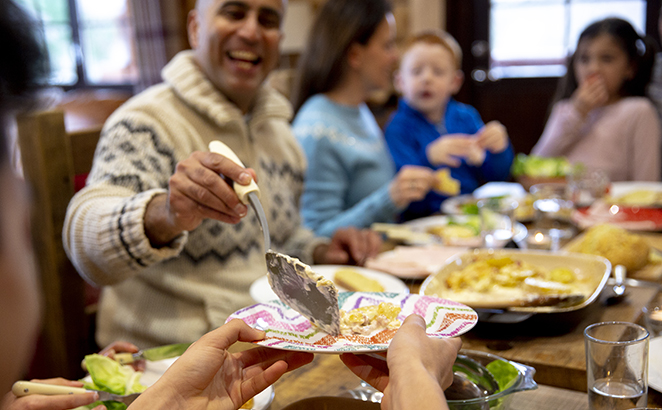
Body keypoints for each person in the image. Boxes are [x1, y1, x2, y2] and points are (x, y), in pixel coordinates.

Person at [62, 0, 382, 349]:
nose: (250, 30)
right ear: (195, 27)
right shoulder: (145, 123)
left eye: (268, 19)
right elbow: (85, 245)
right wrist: (165, 214)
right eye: (233, 13)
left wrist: (320, 250)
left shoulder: (281, 136)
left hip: (267, 349)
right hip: (166, 361)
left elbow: (280, 238)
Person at [290, 0, 435, 238]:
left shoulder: (359, 110)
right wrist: (390, 199)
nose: (395, 56)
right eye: (388, 46)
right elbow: (314, 238)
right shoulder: (316, 129)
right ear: (356, 55)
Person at [384, 30, 514, 220]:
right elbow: (403, 195)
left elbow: (496, 175)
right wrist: (428, 158)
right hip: (421, 221)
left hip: (469, 216)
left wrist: (499, 150)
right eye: (416, 71)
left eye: (438, 72)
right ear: (400, 82)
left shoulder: (467, 118)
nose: (426, 79)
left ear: (455, 81)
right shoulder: (397, 128)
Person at [531, 17, 661, 182]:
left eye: (607, 59)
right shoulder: (565, 109)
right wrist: (577, 112)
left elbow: (647, 186)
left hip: (615, 206)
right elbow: (535, 165)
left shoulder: (639, 111)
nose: (593, 68)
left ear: (630, 67)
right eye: (584, 59)